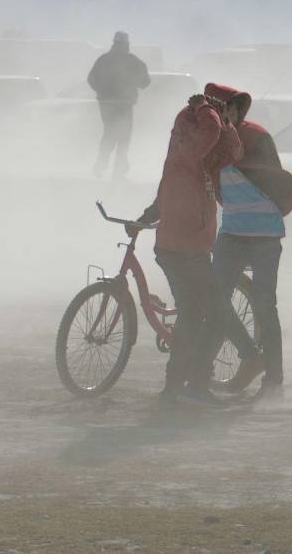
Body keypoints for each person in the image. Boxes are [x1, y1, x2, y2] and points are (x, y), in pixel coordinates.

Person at [132, 84, 242, 407]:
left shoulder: (198, 162)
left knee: (194, 315)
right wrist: (207, 110)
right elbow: (208, 138)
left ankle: (178, 388)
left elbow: (233, 150)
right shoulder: (188, 152)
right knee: (211, 317)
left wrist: (225, 120)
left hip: (189, 248)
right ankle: (191, 386)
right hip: (183, 250)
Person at [202, 83, 292, 400]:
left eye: (229, 109)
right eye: (220, 109)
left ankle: (273, 379)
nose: (225, 115)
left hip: (264, 233)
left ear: (235, 109)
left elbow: (272, 179)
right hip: (232, 230)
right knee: (215, 302)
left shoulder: (256, 136)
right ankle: (244, 357)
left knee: (264, 306)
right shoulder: (209, 140)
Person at [87, 31, 151, 179]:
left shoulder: (103, 60)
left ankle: (100, 166)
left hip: (106, 104)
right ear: (127, 44)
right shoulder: (133, 61)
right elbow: (146, 82)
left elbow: (91, 79)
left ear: (114, 43)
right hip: (125, 104)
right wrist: (133, 84)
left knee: (109, 134)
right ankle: (119, 171)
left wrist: (102, 92)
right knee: (124, 138)